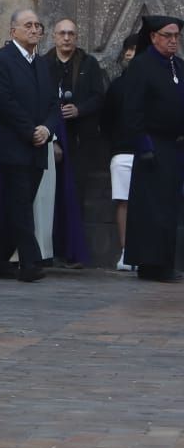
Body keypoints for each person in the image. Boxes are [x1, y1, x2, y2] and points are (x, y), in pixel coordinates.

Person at [0, 9, 60, 282]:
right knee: (21, 205)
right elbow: (5, 103)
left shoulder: (43, 64)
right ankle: (30, 263)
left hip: (38, 145)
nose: (35, 30)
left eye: (38, 25)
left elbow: (53, 103)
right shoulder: (1, 61)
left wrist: (47, 129)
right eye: (28, 25)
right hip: (13, 146)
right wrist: (30, 131)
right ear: (13, 30)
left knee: (20, 204)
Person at [116, 15, 184, 283]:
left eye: (177, 36)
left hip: (175, 146)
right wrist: (143, 143)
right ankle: (150, 263)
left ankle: (164, 261)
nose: (173, 41)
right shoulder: (142, 66)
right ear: (154, 37)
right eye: (168, 36)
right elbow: (131, 109)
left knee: (168, 207)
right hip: (151, 145)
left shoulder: (177, 65)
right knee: (151, 208)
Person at [38, 18, 106, 266]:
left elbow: (100, 97)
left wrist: (80, 110)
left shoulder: (89, 64)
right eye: (62, 33)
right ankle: (46, 249)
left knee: (74, 194)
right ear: (54, 37)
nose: (67, 38)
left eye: (71, 34)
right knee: (47, 196)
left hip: (79, 141)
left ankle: (71, 252)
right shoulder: (43, 64)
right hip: (49, 139)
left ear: (77, 37)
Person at [101, 34, 141, 269]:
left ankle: (147, 251)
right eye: (128, 49)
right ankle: (126, 252)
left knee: (151, 203)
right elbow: (106, 121)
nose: (130, 54)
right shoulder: (117, 86)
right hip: (123, 151)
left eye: (135, 49)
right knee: (123, 202)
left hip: (153, 152)